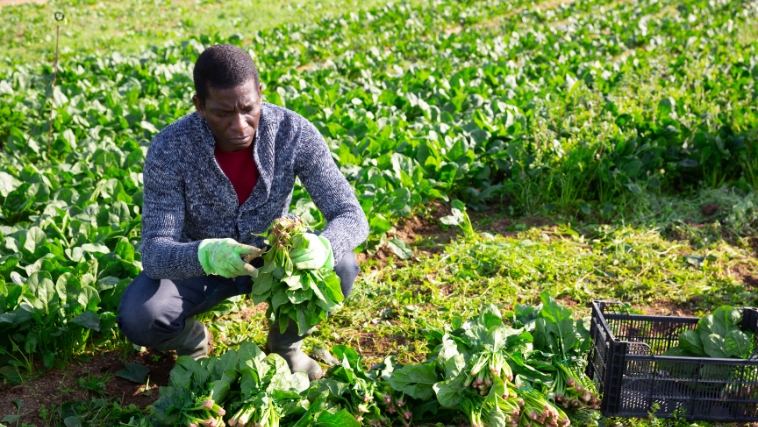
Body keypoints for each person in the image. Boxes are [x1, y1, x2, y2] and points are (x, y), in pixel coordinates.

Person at [116, 44, 369, 380]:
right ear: (200, 106)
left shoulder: (293, 133)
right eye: (222, 113)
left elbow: (350, 214)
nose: (239, 125)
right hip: (200, 266)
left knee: (342, 263)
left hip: (274, 259)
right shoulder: (170, 148)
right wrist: (205, 254)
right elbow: (155, 251)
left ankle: (286, 347)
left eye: (248, 108)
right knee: (141, 317)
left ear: (260, 95)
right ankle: (192, 342)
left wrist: (324, 246)